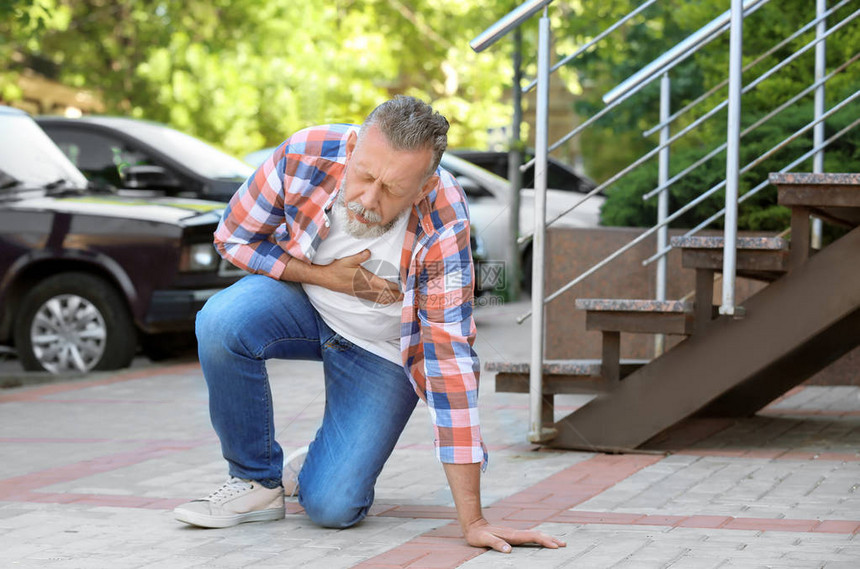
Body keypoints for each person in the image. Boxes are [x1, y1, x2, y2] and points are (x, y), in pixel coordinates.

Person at [173, 96, 565, 554]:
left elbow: (449, 358)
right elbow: (233, 236)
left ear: (423, 186)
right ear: (354, 147)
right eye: (364, 176)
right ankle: (255, 481)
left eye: (392, 189)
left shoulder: (445, 219)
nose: (368, 200)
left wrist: (473, 519)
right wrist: (324, 277)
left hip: (382, 346)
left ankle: (318, 466)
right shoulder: (305, 153)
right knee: (221, 321)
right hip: (304, 302)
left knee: (332, 507)